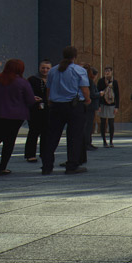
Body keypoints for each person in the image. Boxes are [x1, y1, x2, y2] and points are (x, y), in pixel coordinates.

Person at [41, 46, 91, 175]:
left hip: (56, 106)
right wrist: (87, 100)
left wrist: (49, 101)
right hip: (74, 106)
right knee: (74, 136)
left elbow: (48, 89)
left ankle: (47, 166)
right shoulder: (79, 70)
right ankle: (72, 165)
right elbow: (84, 88)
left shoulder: (53, 70)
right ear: (75, 56)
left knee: (52, 136)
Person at [0, 59, 35, 175]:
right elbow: (30, 100)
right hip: (16, 117)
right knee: (9, 141)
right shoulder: (22, 82)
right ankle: (3, 167)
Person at [24, 59, 51, 163]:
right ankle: (30, 154)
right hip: (34, 109)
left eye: (47, 68)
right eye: (43, 68)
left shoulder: (52, 80)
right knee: (33, 132)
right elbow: (27, 92)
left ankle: (44, 153)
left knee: (46, 132)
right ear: (39, 68)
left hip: (48, 109)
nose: (45, 70)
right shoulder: (32, 79)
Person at [97, 66, 120, 147]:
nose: (107, 73)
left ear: (111, 72)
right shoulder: (101, 81)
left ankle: (111, 141)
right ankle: (104, 141)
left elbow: (117, 95)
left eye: (109, 71)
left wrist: (117, 107)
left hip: (111, 104)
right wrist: (98, 105)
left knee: (111, 123)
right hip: (103, 104)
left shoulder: (114, 82)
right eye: (106, 71)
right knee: (103, 122)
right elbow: (98, 93)